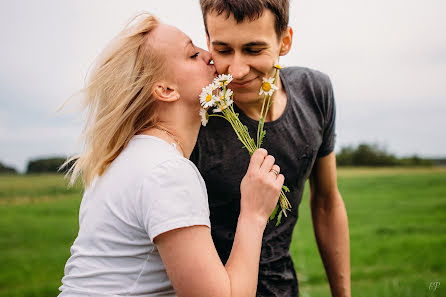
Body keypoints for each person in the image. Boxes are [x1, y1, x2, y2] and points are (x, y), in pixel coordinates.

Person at [58, 13, 285, 297]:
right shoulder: (167, 172)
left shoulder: (123, 160)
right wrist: (254, 214)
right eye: (192, 54)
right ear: (165, 90)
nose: (210, 56)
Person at [191, 1, 351, 296]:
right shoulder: (193, 114)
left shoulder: (315, 92)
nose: (236, 71)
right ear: (208, 42)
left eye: (254, 50)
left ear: (285, 41)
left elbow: (327, 202)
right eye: (223, 50)